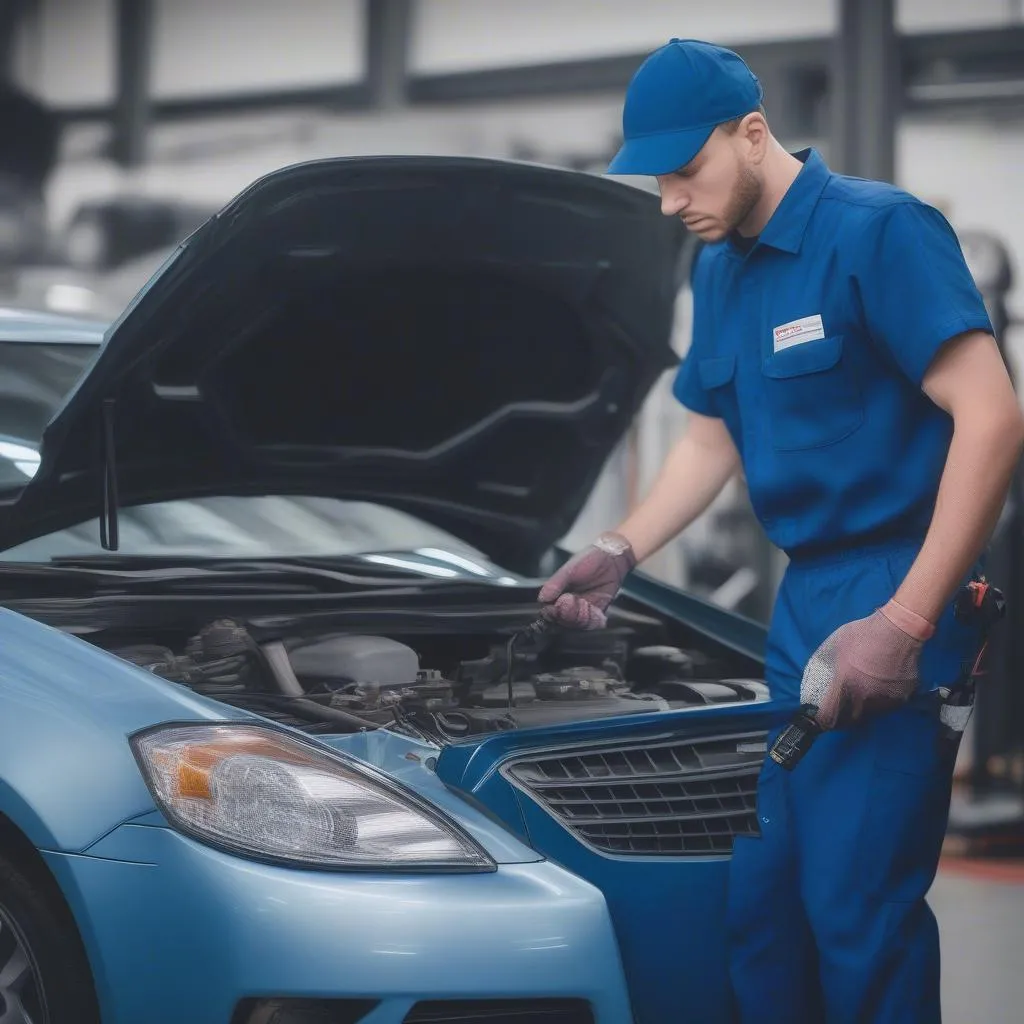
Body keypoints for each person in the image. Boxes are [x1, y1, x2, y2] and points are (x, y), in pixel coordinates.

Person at [537, 38, 1024, 1024]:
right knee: (762, 900)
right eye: (656, 179)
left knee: (855, 905)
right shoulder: (721, 267)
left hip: (900, 579)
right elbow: (709, 438)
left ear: (750, 134)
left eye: (685, 170)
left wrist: (908, 618)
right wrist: (623, 548)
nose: (670, 200)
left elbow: (993, 414)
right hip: (803, 597)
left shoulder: (878, 233)